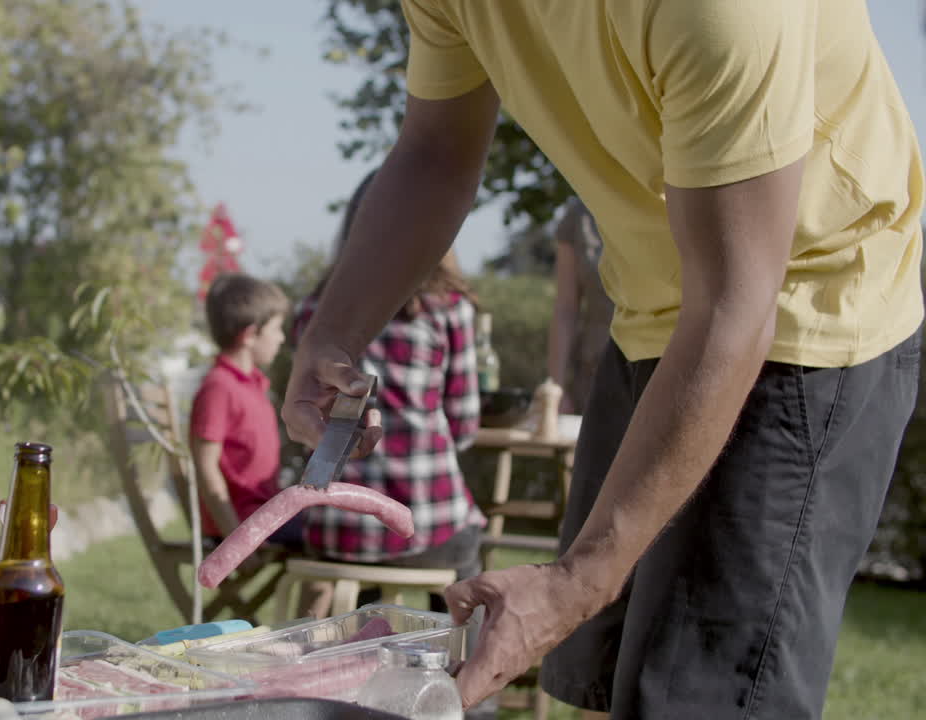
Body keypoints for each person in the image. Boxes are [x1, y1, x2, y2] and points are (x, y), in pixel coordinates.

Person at [281, 2, 923, 717]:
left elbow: (736, 307)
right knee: (598, 686)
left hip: (801, 321)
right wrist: (332, 333)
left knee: (691, 700)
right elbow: (435, 152)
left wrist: (577, 582)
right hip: (651, 304)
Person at [293, 169, 484, 613]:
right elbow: (464, 426)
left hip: (336, 529)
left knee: (364, 580)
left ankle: (362, 637)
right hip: (427, 524)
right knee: (466, 543)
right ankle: (455, 650)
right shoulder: (447, 310)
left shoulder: (313, 311)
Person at [189, 273, 295, 545]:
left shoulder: (254, 387)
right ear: (250, 335)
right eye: (276, 329)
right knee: (336, 532)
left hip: (266, 514)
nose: (281, 338)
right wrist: (235, 540)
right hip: (244, 524)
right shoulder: (219, 388)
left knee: (334, 524)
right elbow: (205, 467)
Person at [547, 197, 614, 415]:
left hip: (661, 368)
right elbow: (566, 309)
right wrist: (557, 387)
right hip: (594, 375)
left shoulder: (674, 198)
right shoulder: (580, 214)